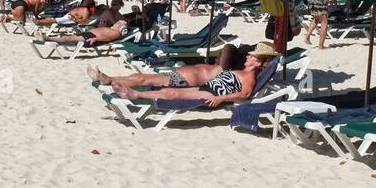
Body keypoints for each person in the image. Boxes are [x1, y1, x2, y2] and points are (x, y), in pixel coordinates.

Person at [88, 42, 277, 109]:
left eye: (252, 55)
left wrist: (221, 98)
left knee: (169, 92)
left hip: (209, 93)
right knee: (145, 80)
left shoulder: (248, 77)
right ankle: (109, 79)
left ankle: (133, 93)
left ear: (259, 62)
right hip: (204, 86)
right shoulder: (239, 69)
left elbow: (245, 95)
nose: (248, 55)